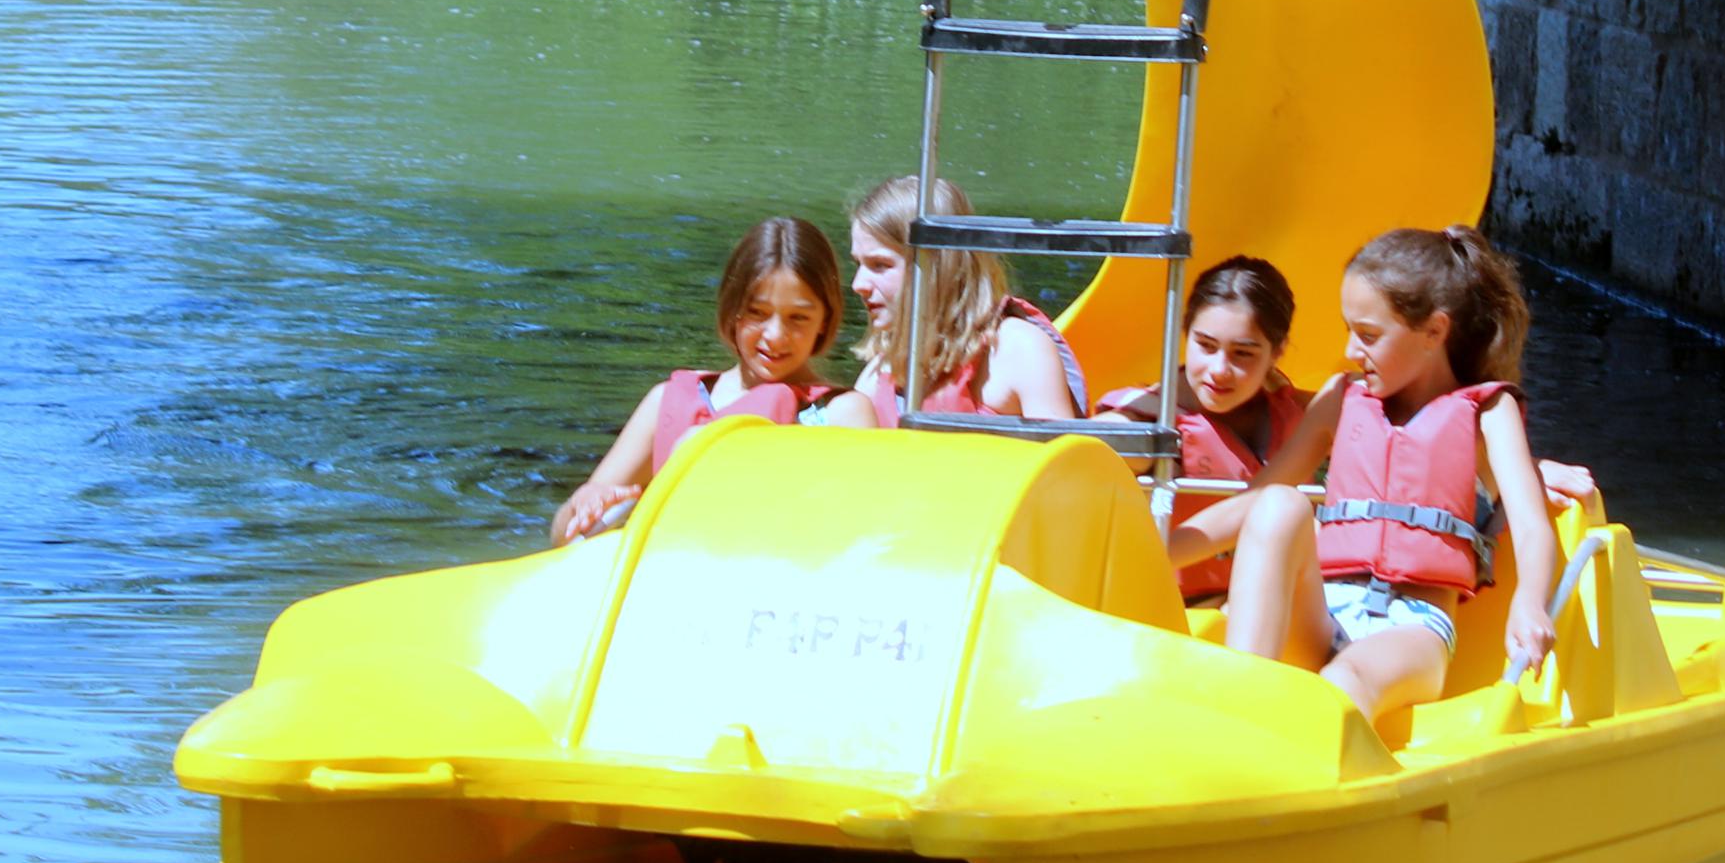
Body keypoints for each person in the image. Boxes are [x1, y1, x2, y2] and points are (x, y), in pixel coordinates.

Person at [1217, 225, 1561, 722]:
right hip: (1325, 608)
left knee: (1342, 681)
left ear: (1434, 332)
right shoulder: (1341, 398)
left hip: (1414, 628)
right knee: (1278, 505)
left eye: (1369, 335)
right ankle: (1235, 714)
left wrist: (1530, 603)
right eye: (1350, 329)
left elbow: (1531, 528)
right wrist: (1165, 549)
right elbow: (1253, 501)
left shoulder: (1489, 411)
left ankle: (1307, 775)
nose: (1352, 350)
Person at [548, 217, 845, 544]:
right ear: (732, 309)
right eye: (757, 313)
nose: (775, 336)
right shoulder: (666, 402)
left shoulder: (841, 413)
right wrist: (587, 502)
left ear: (824, 320)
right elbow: (562, 535)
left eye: (798, 317)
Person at [1093, 255, 1306, 600]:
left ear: (1277, 351)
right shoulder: (1148, 419)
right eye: (1205, 346)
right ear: (1186, 334)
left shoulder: (1291, 408)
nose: (1219, 369)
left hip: (1271, 608)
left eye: (1243, 354)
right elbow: (1085, 445)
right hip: (1176, 613)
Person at [833, 174, 1083, 424]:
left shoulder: (1020, 350)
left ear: (940, 266)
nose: (858, 285)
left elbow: (1065, 461)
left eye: (880, 265)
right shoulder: (878, 372)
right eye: (858, 264)